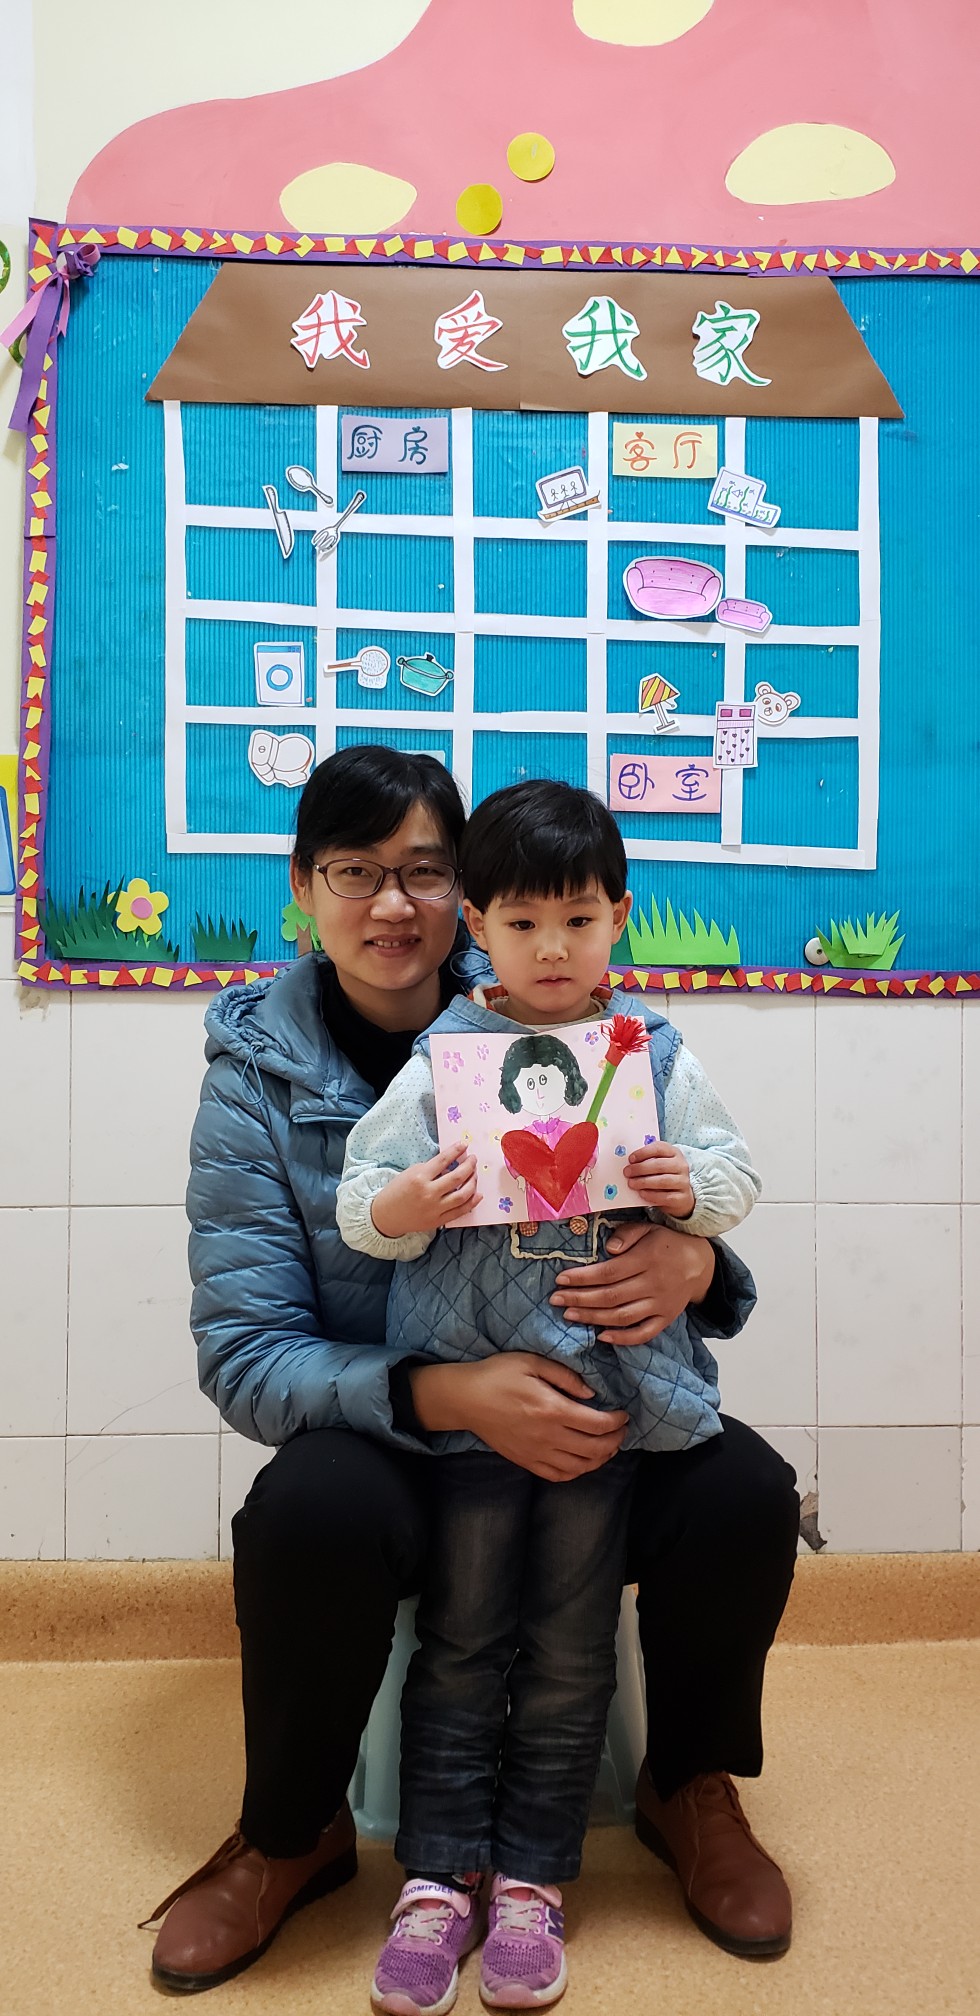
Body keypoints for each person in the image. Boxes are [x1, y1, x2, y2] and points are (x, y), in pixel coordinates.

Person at [142, 745, 799, 1996]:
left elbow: (706, 1185)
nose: (393, 903)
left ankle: (688, 1784)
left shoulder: (591, 1028)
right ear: (303, 889)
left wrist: (693, 1261)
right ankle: (291, 1831)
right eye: (355, 872)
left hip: (595, 1400)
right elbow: (246, 1354)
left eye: (423, 871)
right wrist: (441, 1393)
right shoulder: (258, 1083)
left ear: (467, 897)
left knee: (743, 1493)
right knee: (308, 1513)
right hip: (403, 1422)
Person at [336, 779, 762, 2012]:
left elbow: (734, 1176)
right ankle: (436, 1879)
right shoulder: (441, 1062)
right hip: (475, 1410)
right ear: (477, 927)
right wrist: (404, 1206)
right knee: (463, 1641)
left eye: (578, 919)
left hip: (602, 1410)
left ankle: (530, 1878)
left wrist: (688, 1194)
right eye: (522, 923)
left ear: (618, 916)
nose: (553, 948)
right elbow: (360, 1205)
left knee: (571, 1652)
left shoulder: (652, 1054)